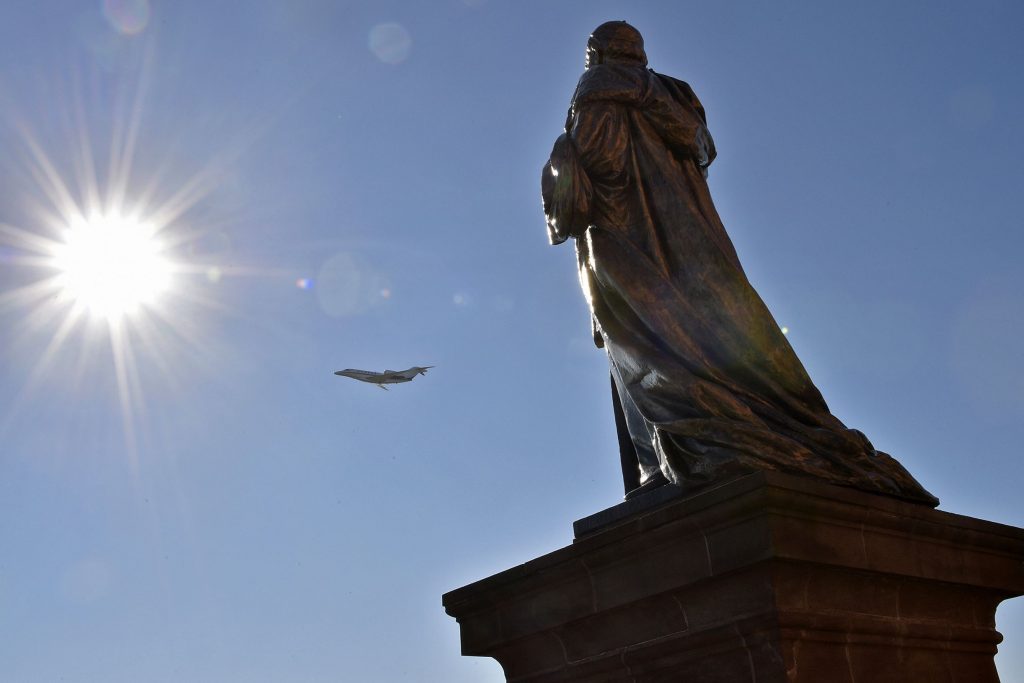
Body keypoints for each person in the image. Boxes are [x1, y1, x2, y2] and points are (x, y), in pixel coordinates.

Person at [541, 21, 937, 506]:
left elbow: (601, 160)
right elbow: (703, 149)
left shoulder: (596, 86)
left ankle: (675, 460)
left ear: (596, 55)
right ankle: (761, 428)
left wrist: (561, 160)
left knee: (644, 345)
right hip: (694, 241)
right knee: (717, 329)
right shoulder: (678, 94)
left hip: (623, 239)